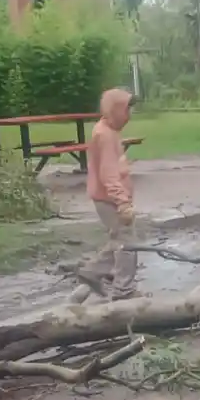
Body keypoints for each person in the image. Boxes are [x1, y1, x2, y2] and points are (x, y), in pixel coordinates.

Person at [77, 87, 139, 299]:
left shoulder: (109, 131)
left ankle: (91, 272)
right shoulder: (104, 135)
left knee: (118, 239)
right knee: (128, 243)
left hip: (108, 197)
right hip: (109, 199)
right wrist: (123, 202)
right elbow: (109, 174)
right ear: (116, 109)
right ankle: (124, 290)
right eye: (127, 109)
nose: (129, 115)